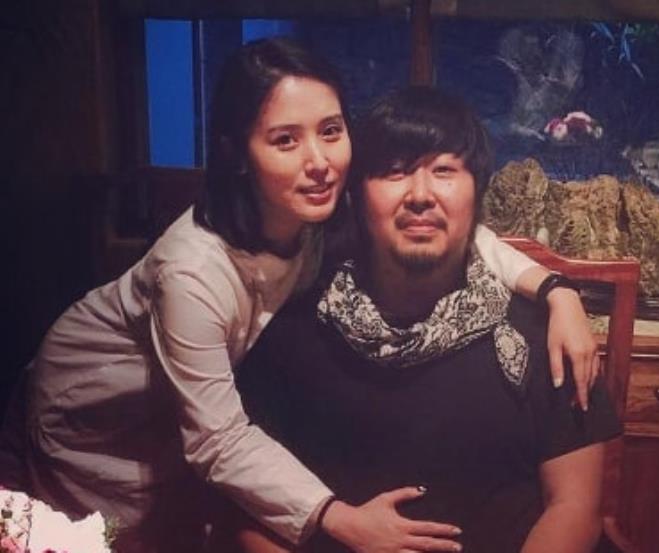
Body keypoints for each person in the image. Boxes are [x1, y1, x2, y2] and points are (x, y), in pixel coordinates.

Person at [1, 38, 597, 552]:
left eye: (331, 132)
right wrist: (347, 523)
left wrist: (556, 290)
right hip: (93, 415)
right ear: (237, 154)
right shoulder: (192, 272)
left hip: (193, 415)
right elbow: (217, 440)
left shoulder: (319, 209)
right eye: (285, 140)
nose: (319, 163)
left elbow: (451, 227)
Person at [235, 86, 622, 553]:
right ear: (355, 195)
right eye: (395, 172)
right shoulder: (294, 329)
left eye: (444, 171)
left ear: (477, 193)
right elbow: (247, 508)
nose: (420, 195)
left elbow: (575, 508)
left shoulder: (548, 336)